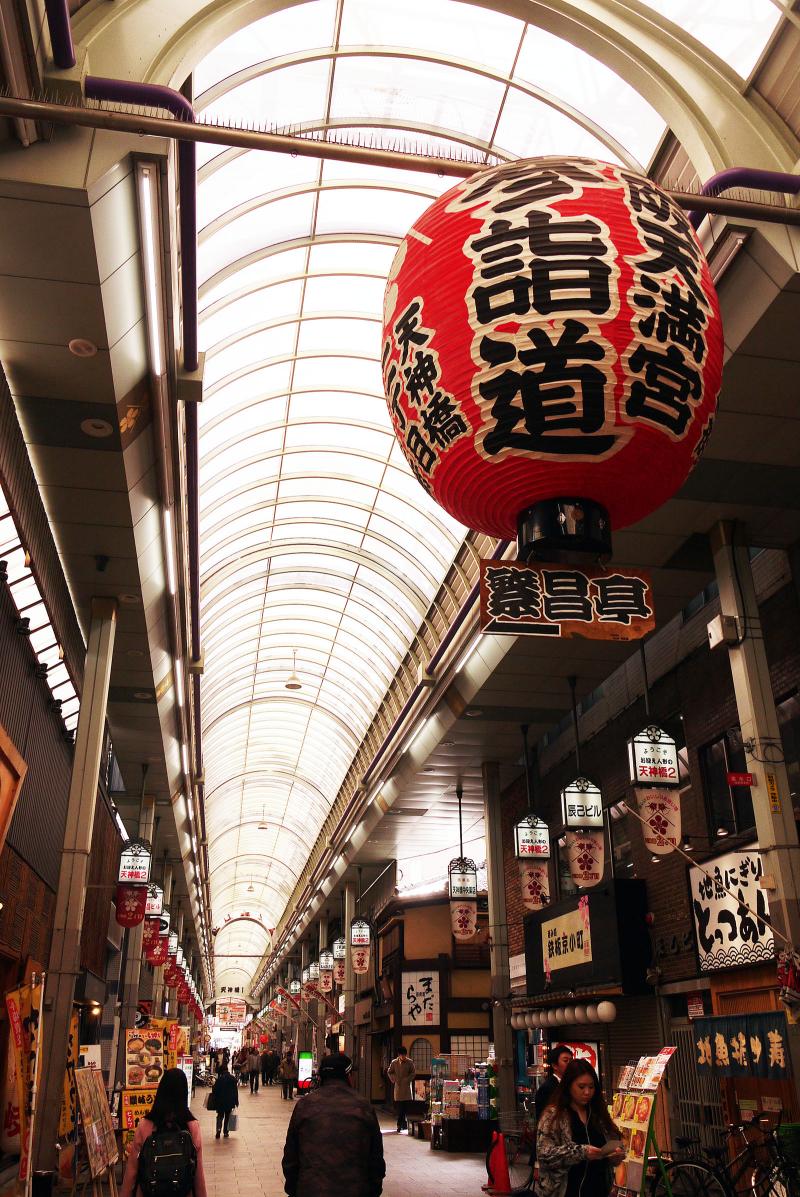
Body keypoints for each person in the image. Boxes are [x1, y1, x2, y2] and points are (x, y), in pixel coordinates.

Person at [282, 1052, 385, 1197]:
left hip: (311, 1189)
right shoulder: (363, 1107)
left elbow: (290, 1158)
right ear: (349, 1076)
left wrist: (295, 1190)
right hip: (354, 1189)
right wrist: (373, 1190)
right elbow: (376, 1159)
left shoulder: (304, 1106)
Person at [536, 1059, 624, 1197]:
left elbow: (612, 1142)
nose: (587, 1092)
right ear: (568, 1086)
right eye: (581, 1087)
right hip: (565, 1191)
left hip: (598, 1189)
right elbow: (544, 1155)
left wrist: (615, 1155)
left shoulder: (598, 1113)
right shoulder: (553, 1115)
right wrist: (581, 1152)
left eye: (591, 1087)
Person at [120, 1067, 207, 1197]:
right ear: (184, 1092)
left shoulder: (145, 1125)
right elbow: (198, 1173)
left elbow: (132, 1170)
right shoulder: (191, 1126)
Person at [535, 1044, 574, 1120]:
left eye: (571, 1060)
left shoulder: (572, 1083)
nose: (570, 1064)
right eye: (565, 1061)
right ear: (554, 1065)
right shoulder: (547, 1088)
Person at [387, 1044, 416, 1132]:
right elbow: (389, 1072)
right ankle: (400, 1124)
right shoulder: (394, 1062)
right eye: (401, 1055)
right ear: (399, 1055)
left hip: (406, 1088)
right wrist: (394, 1079)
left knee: (405, 1107)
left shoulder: (410, 1062)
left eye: (404, 1055)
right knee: (400, 1108)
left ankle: (403, 1124)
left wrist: (407, 1080)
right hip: (398, 1087)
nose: (403, 1057)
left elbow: (413, 1073)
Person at [209, 1062, 239, 1139]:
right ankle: (225, 1132)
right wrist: (236, 1101)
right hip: (229, 1101)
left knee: (220, 1116)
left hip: (220, 1102)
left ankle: (218, 1131)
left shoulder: (219, 1080)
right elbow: (235, 1091)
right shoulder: (232, 1078)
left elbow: (214, 1091)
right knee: (227, 1116)